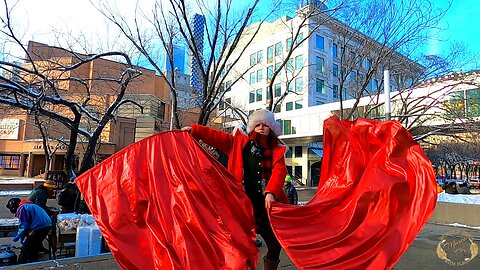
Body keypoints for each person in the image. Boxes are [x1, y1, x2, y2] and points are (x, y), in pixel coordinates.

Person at [182, 109, 288, 270]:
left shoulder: (276, 150)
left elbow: (279, 171)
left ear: (272, 128)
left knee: (274, 245)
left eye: (265, 125)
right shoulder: (238, 143)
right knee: (239, 247)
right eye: (257, 124)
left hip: (266, 206)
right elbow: (216, 137)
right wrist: (196, 130)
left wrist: (271, 192)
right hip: (241, 205)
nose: (261, 127)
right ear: (252, 127)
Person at [5, 198, 52, 264]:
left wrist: (19, 235)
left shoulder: (22, 208)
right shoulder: (29, 205)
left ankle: (20, 265)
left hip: (39, 227)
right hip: (46, 225)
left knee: (26, 249)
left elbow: (24, 224)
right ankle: (33, 262)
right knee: (34, 247)